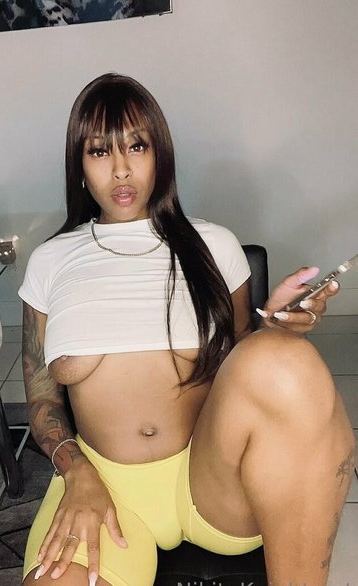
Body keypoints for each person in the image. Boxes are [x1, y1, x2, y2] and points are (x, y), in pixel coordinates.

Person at [18, 73, 354, 586]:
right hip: (105, 489)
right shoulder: (51, 261)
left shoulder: (214, 245)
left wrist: (275, 329)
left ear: (161, 156)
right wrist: (76, 471)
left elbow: (243, 368)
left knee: (286, 360)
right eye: (100, 151)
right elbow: (42, 398)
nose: (122, 168)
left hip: (209, 482)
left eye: (137, 146)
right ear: (79, 166)